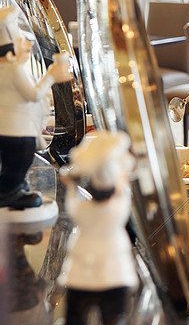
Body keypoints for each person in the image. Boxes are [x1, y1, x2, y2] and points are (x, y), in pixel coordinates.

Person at [0, 6, 71, 210]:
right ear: (11, 53)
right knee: (19, 159)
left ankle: (12, 187)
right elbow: (33, 95)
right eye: (23, 42)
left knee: (7, 165)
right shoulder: (14, 71)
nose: (28, 45)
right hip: (12, 131)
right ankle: (7, 195)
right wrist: (51, 76)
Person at [59, 130, 137, 325]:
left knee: (75, 315)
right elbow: (123, 190)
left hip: (81, 271)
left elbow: (72, 206)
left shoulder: (83, 211)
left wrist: (71, 186)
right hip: (114, 272)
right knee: (114, 315)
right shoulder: (117, 210)